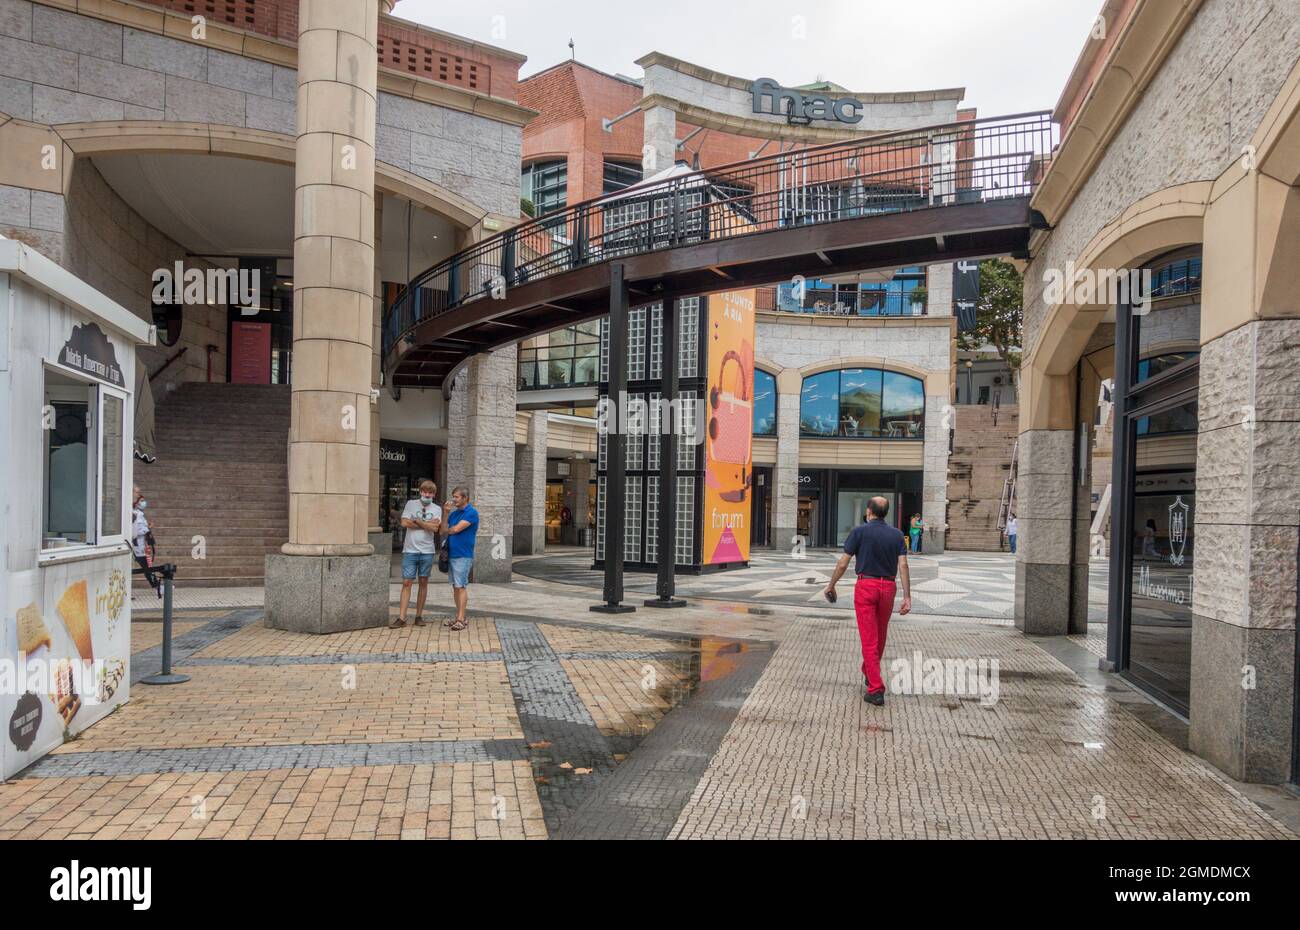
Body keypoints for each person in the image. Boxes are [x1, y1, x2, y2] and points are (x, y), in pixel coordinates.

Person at [824, 496, 912, 705]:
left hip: (866, 586)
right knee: (880, 635)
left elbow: (843, 564)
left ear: (869, 512)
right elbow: (903, 566)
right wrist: (907, 596)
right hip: (888, 587)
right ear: (885, 513)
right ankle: (869, 671)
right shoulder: (897, 535)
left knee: (868, 639)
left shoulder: (859, 531)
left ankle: (876, 688)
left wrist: (831, 585)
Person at [393, 479, 441, 629]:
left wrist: (418, 521)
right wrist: (427, 525)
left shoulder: (437, 508)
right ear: (420, 492)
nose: (427, 494)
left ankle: (419, 616)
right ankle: (401, 617)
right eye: (424, 492)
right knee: (407, 582)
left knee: (423, 582)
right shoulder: (411, 504)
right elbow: (404, 523)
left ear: (434, 494)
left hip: (427, 551)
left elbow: (435, 529)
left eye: (430, 492)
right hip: (410, 550)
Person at [443, 486, 480, 632]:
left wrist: (448, 529)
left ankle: (461, 619)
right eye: (453, 496)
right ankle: (459, 616)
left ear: (465, 498)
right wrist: (445, 514)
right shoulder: (453, 514)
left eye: (456, 497)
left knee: (461, 586)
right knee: (455, 586)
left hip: (463, 555)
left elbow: (455, 529)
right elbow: (443, 529)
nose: (453, 499)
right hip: (451, 553)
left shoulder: (471, 512)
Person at [131, 486, 161, 597]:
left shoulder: (138, 512)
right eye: (137, 492)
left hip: (140, 545)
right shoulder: (133, 513)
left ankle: (157, 586)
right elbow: (135, 531)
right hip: (136, 546)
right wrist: (147, 528)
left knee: (148, 566)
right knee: (147, 566)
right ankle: (157, 586)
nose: (139, 495)